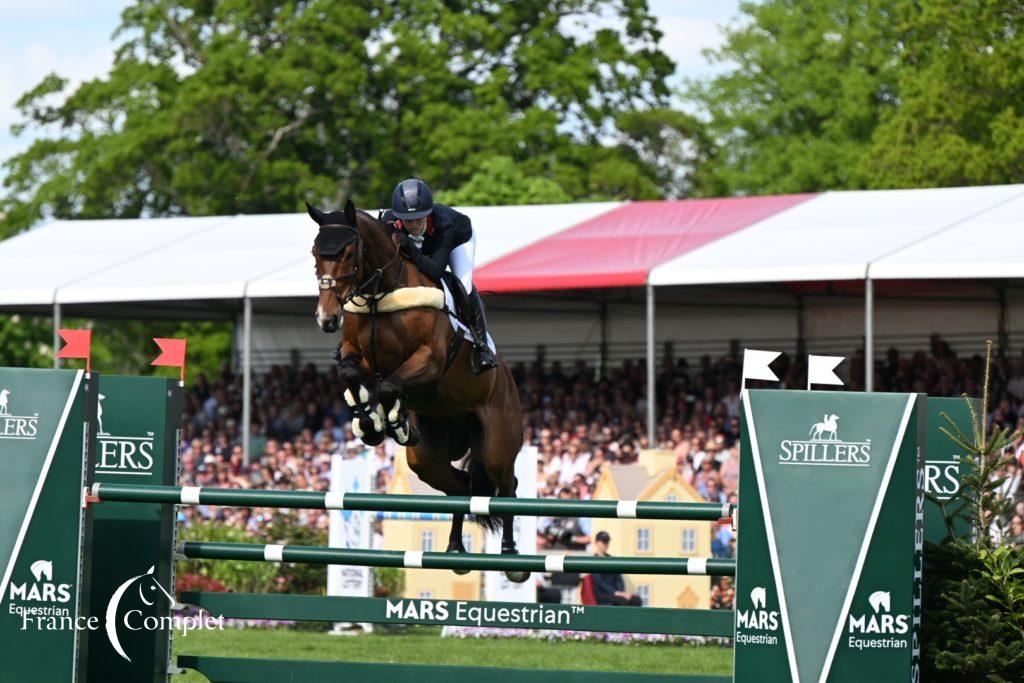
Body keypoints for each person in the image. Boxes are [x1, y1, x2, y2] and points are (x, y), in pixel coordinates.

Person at [382, 178, 497, 374]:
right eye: (408, 220)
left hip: (458, 240)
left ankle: (482, 345)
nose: (414, 224)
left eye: (419, 218)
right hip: (426, 244)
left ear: (428, 213)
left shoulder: (445, 225)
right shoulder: (389, 220)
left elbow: (435, 270)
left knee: (463, 284)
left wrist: (409, 245)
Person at [590, 531, 642, 606]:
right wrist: (616, 592)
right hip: (601, 594)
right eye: (603, 542)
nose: (605, 544)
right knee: (622, 601)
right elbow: (599, 583)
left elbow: (619, 579)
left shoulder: (612, 559)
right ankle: (623, 618)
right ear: (597, 543)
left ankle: (634, 618)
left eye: (607, 542)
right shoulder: (593, 560)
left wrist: (623, 592)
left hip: (616, 593)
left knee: (636, 600)